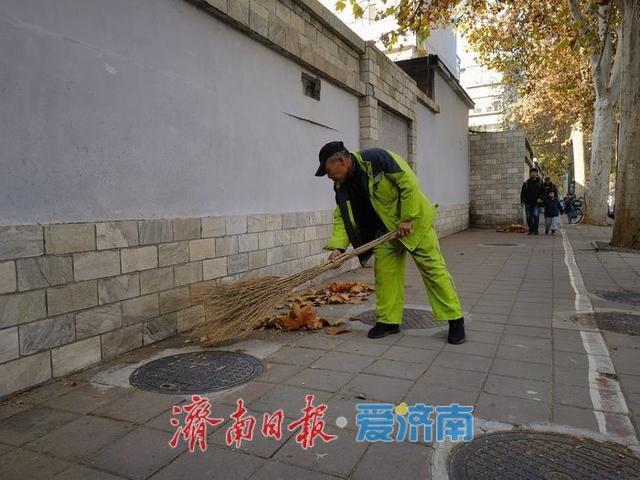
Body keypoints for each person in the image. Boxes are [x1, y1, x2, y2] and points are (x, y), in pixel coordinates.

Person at [315, 141, 465, 344]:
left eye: (328, 171)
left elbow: (409, 183)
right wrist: (338, 248)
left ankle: (455, 319)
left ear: (341, 161)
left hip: (414, 225)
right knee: (385, 276)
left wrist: (407, 218)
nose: (329, 177)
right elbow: (343, 216)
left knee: (433, 271)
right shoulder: (342, 186)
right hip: (384, 234)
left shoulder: (377, 159)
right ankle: (389, 321)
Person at [521, 167, 544, 235]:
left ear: (537, 174)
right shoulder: (526, 183)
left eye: (535, 172)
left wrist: (540, 198)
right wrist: (522, 201)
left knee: (535, 215)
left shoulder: (540, 182)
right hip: (527, 203)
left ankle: (536, 229)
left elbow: (543, 192)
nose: (533, 174)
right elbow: (522, 193)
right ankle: (531, 229)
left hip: (536, 203)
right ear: (530, 174)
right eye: (532, 172)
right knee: (528, 217)